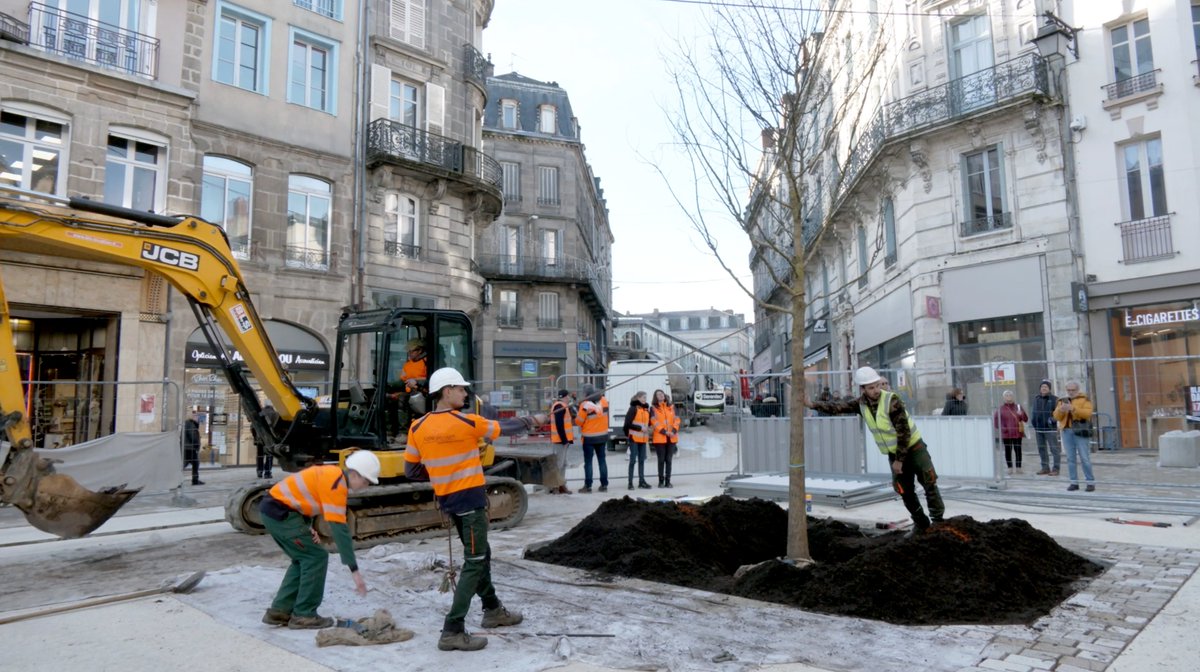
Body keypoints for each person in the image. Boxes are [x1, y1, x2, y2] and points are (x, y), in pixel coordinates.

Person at [404, 367, 548, 651]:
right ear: (447, 392)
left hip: (449, 501)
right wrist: (534, 419)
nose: (465, 393)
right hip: (470, 501)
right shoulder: (465, 422)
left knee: (482, 555)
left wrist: (442, 472)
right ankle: (452, 629)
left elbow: (411, 470)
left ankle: (492, 608)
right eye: (460, 389)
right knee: (474, 561)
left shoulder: (417, 427)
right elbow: (505, 428)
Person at [806, 366, 945, 534]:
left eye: (878, 385)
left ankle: (938, 523)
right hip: (895, 454)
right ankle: (921, 523)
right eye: (871, 388)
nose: (876, 390)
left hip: (914, 449)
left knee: (929, 483)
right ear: (862, 389)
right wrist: (812, 404)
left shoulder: (891, 400)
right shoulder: (861, 404)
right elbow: (838, 407)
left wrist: (899, 460)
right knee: (904, 491)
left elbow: (904, 432)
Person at [258, 450, 379, 629]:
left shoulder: (332, 474)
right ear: (354, 474)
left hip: (274, 511)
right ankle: (304, 615)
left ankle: (280, 610)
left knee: (302, 559)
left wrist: (308, 528)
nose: (366, 485)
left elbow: (304, 499)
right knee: (315, 557)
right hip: (282, 514)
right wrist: (354, 570)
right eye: (366, 480)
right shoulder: (336, 484)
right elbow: (340, 530)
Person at [1053, 380, 1096, 492]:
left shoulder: (1085, 399)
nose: (1071, 392)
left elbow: (1087, 414)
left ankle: (1090, 482)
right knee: (1070, 458)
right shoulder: (1062, 400)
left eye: (1073, 390)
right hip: (1066, 431)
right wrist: (1061, 410)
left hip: (1080, 431)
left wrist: (1073, 409)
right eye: (1069, 390)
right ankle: (1074, 482)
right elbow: (1056, 417)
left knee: (1084, 458)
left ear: (1078, 390)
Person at [390, 338, 428, 435]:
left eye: (412, 351)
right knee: (390, 397)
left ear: (420, 350)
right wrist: (389, 385)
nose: (409, 353)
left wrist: (416, 381)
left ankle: (403, 432)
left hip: (422, 392)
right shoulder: (407, 364)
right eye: (409, 351)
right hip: (409, 392)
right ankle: (392, 430)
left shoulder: (426, 362)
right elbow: (402, 380)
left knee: (402, 399)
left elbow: (430, 378)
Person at [576, 384, 610, 493]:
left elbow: (579, 421)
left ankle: (588, 486)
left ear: (586, 394)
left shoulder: (585, 405)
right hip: (602, 436)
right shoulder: (604, 400)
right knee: (602, 461)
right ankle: (604, 485)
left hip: (589, 438)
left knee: (588, 462)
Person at [649, 389, 680, 487]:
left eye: (662, 393)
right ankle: (661, 481)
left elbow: (677, 420)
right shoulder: (653, 408)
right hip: (660, 438)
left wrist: (673, 431)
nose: (661, 395)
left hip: (671, 437)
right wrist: (664, 432)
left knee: (669, 460)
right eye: (658, 394)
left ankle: (668, 481)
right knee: (661, 460)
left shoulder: (672, 407)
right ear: (656, 397)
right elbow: (654, 422)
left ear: (664, 395)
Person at [993, 390, 1029, 474]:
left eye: (1010, 395)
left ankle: (1019, 467)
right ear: (1003, 397)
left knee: (1018, 450)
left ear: (1013, 397)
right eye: (1006, 395)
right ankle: (1009, 467)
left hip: (1017, 433)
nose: (1008, 396)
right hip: (1006, 433)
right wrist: (1002, 427)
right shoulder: (1000, 409)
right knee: (1008, 450)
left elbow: (1025, 419)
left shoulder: (1018, 407)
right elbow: (996, 421)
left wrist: (1021, 414)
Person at [1031, 379, 1061, 476]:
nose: (1043, 388)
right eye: (1042, 387)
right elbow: (1034, 412)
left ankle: (1056, 469)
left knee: (1054, 449)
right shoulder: (1036, 398)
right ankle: (1045, 467)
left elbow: (1059, 413)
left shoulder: (1055, 399)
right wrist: (1033, 422)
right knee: (1041, 449)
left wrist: (1052, 420)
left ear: (1049, 389)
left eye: (1046, 387)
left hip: (1050, 429)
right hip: (1038, 429)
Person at [622, 391, 652, 490]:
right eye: (643, 397)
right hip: (634, 439)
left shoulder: (646, 409)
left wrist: (649, 428)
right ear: (638, 398)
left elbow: (648, 423)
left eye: (646, 397)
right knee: (632, 461)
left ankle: (641, 481)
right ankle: (630, 483)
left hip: (643, 439)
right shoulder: (633, 408)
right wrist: (639, 429)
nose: (645, 399)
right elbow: (627, 424)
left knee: (642, 461)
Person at [548, 389, 575, 495]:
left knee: (562, 464)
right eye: (568, 397)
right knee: (558, 464)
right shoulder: (560, 406)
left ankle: (561, 485)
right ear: (565, 396)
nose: (569, 399)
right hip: (560, 441)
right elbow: (560, 425)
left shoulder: (561, 406)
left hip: (562, 441)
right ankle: (555, 486)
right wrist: (564, 440)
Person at [183, 410, 203, 486]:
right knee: (194, 463)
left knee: (194, 463)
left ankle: (195, 480)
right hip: (190, 448)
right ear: (192, 417)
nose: (197, 417)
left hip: (187, 448)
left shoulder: (187, 423)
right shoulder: (190, 424)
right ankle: (195, 480)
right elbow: (193, 436)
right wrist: (197, 445)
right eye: (196, 416)